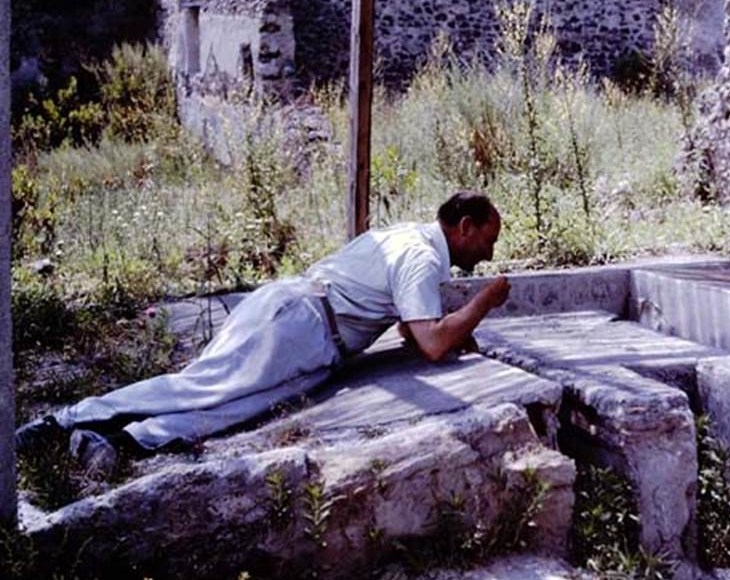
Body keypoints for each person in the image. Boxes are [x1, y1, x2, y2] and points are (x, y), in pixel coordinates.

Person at [16, 191, 510, 471]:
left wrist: (456, 331)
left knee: (237, 406)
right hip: (302, 323)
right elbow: (429, 344)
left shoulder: (410, 239)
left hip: (307, 327)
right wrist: (486, 299)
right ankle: (61, 422)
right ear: (464, 226)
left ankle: (119, 440)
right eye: (487, 241)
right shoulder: (422, 258)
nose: (488, 254)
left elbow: (411, 328)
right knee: (203, 386)